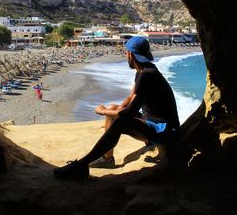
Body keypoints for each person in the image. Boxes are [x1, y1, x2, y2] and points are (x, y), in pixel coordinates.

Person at [53, 36, 180, 180]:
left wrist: (102, 111)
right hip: (151, 122)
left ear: (130, 55)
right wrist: (114, 109)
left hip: (164, 129)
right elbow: (131, 98)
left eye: (126, 53)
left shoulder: (147, 75)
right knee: (114, 109)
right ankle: (107, 159)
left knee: (120, 121)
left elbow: (129, 113)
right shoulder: (143, 71)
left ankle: (81, 165)